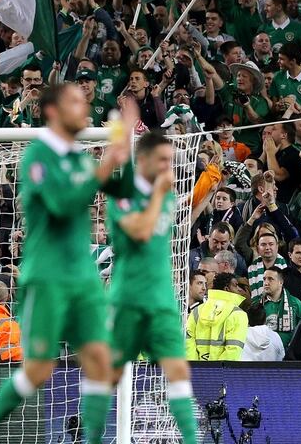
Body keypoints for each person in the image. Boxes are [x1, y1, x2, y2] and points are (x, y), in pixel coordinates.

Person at [0, 83, 135, 444]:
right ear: (53, 112)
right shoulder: (37, 158)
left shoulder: (78, 159)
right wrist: (107, 165)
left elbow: (119, 192)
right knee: (39, 368)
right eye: (75, 100)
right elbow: (61, 205)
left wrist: (125, 158)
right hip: (47, 275)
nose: (85, 104)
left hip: (83, 277)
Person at [106, 131, 197, 442]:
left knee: (178, 372)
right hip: (127, 299)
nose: (168, 168)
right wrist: (159, 195)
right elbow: (141, 233)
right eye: (162, 160)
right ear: (142, 160)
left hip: (159, 299)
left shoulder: (167, 197)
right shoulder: (123, 195)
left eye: (171, 162)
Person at [186, 272, 249, 361]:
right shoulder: (238, 314)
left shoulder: (197, 311)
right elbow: (233, 351)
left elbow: (188, 342)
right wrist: (216, 372)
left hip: (196, 371)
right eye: (236, 285)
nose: (239, 289)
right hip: (221, 373)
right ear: (227, 289)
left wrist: (195, 367)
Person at [261, 267, 301, 347]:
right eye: (264, 279)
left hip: (288, 356)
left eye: (270, 279)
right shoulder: (257, 305)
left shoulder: (295, 303)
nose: (266, 283)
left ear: (281, 282)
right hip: (264, 355)